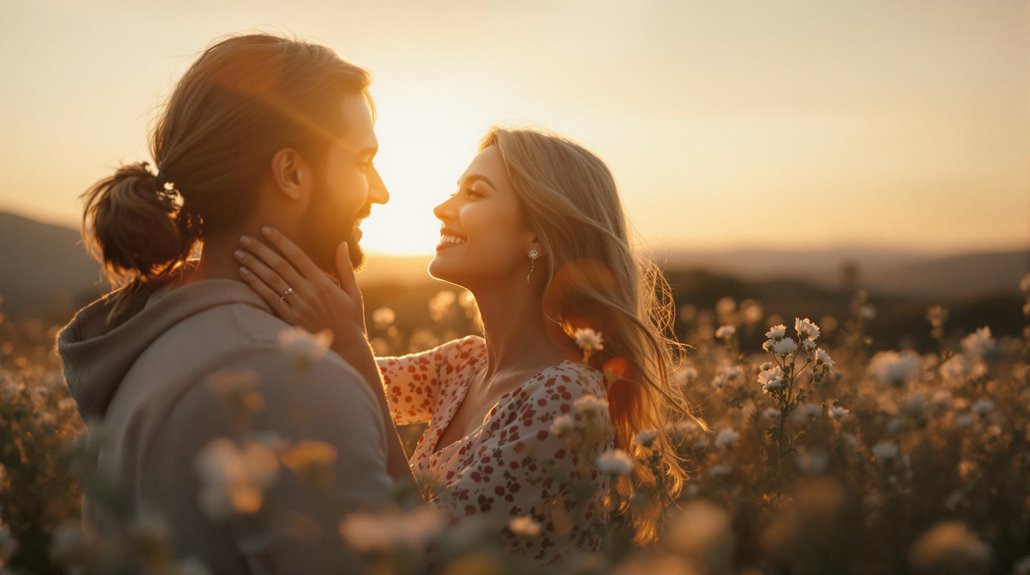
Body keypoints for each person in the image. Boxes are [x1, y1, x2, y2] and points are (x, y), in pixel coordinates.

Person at [235, 126, 697, 565]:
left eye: (474, 193)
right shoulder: (465, 363)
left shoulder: (566, 398)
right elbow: (330, 378)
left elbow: (430, 555)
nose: (442, 208)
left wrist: (351, 342)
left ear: (538, 232)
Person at [56, 33, 411, 574]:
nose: (380, 191)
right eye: (363, 160)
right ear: (291, 172)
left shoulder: (148, 332)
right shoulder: (292, 380)